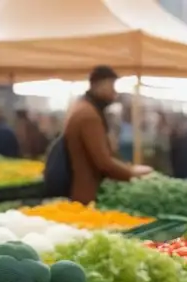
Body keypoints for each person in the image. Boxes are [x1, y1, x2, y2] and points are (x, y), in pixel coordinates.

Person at [61, 65, 151, 204]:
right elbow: (103, 162)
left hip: (80, 188)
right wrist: (131, 172)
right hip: (87, 193)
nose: (114, 93)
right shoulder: (88, 115)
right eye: (111, 86)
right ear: (99, 85)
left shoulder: (81, 107)